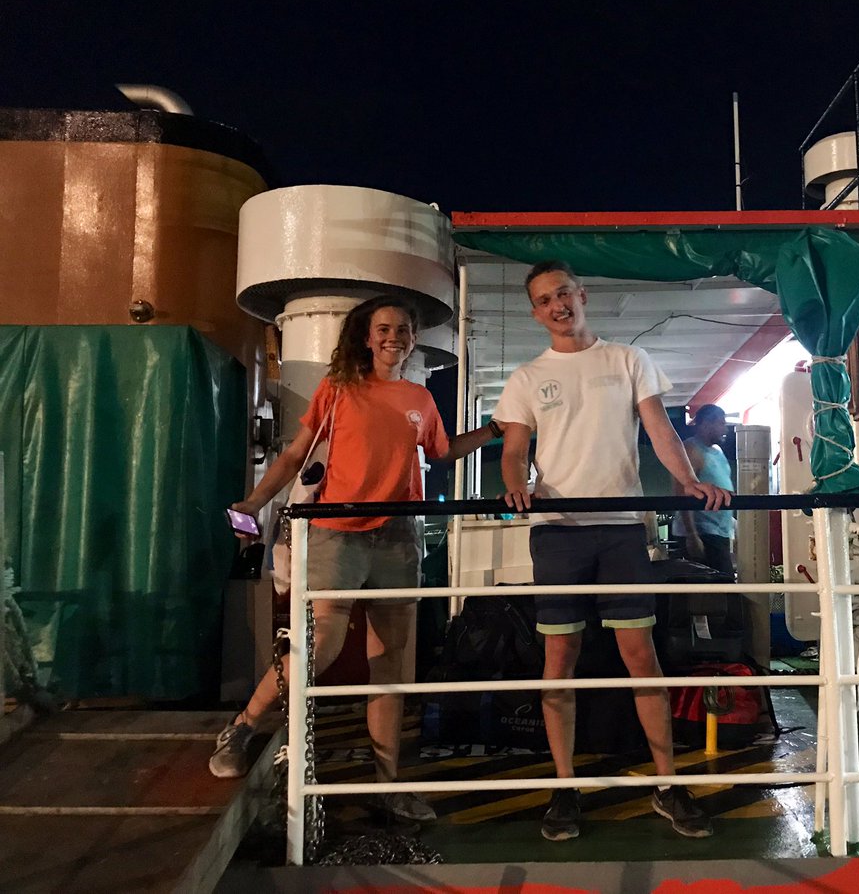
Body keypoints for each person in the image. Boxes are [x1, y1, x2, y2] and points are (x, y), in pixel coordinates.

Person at [208, 294, 501, 825]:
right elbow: (294, 455)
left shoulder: (419, 397)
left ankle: (387, 784)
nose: (394, 337)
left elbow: (441, 452)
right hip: (337, 532)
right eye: (383, 328)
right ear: (366, 337)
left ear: (413, 339)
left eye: (403, 329)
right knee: (322, 644)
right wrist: (253, 502)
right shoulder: (339, 388)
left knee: (389, 659)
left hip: (399, 534)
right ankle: (244, 725)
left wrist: (496, 430)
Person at [494, 260, 731, 841]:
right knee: (559, 659)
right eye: (544, 300)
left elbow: (660, 431)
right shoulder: (527, 377)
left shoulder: (628, 360)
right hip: (557, 531)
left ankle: (667, 785)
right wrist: (517, 485)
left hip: (622, 527)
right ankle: (565, 787)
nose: (557, 305)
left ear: (582, 295)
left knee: (640, 654)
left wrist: (688, 481)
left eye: (564, 293)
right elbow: (514, 449)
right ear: (535, 313)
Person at [672, 404, 735, 577]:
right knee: (715, 586)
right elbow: (680, 492)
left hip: (719, 532)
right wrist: (692, 535)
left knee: (724, 584)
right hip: (702, 533)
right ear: (707, 424)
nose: (725, 429)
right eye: (721, 423)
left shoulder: (718, 451)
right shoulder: (691, 449)